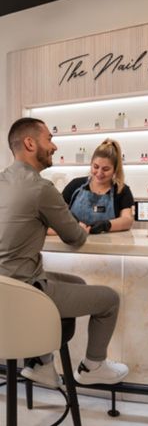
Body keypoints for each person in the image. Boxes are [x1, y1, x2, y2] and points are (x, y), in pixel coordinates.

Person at [0, 117, 129, 387]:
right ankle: (93, 366)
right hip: (24, 292)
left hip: (4, 289)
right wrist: (73, 227)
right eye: (49, 138)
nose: (54, 146)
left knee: (76, 282)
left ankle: (42, 364)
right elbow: (75, 237)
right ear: (30, 143)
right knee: (110, 299)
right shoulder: (41, 188)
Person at [62, 138, 134, 234]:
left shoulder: (122, 190)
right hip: (73, 244)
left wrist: (106, 225)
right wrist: (74, 222)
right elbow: (57, 212)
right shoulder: (75, 185)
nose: (99, 173)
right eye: (96, 167)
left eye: (106, 169)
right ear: (91, 164)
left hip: (108, 246)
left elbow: (127, 220)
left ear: (115, 170)